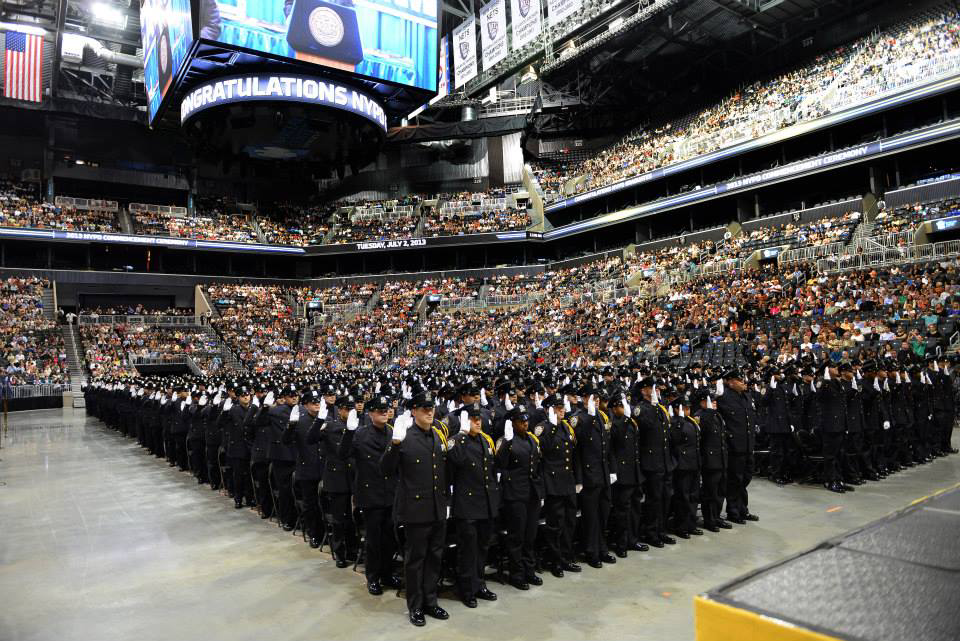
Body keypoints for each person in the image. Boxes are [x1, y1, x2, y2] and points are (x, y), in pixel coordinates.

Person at [380, 391, 450, 627]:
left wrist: (445, 503)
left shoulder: (438, 437)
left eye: (431, 409)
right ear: (414, 411)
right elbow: (386, 470)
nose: (430, 412)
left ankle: (431, 601)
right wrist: (395, 444)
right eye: (424, 409)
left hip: (437, 509)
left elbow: (443, 474)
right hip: (415, 511)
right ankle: (416, 605)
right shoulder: (405, 437)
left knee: (434, 558)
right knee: (416, 560)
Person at [338, 394, 400, 594]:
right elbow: (343, 454)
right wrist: (348, 432)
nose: (384, 414)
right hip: (371, 495)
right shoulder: (360, 434)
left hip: (391, 494)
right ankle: (373, 577)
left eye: (386, 410)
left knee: (390, 539)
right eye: (380, 411)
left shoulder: (392, 432)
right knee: (374, 540)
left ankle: (388, 574)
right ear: (371, 413)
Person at [447, 402, 500, 607]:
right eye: (473, 419)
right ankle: (466, 589)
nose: (478, 422)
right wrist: (460, 435)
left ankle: (479, 584)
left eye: (479, 419)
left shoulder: (485, 441)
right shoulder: (456, 442)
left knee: (482, 548)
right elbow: (457, 461)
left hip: (485, 503)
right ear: (464, 421)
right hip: (467, 504)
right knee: (467, 551)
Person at [495, 406, 544, 589]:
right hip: (515, 494)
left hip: (531, 493)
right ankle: (517, 574)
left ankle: (529, 571)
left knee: (530, 535)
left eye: (526, 420)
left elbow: (537, 466)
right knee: (517, 537)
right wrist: (507, 443)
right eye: (521, 421)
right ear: (512, 423)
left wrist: (540, 492)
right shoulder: (506, 440)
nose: (525, 423)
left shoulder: (531, 438)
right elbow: (500, 465)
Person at [310, 394, 359, 567]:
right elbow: (311, 438)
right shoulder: (330, 426)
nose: (350, 411)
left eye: (352, 408)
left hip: (354, 477)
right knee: (339, 519)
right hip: (337, 478)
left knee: (353, 519)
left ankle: (353, 549)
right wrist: (319, 420)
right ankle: (339, 552)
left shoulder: (358, 426)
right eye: (347, 408)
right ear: (340, 409)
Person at [535, 393, 581, 577]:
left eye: (563, 408)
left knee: (569, 522)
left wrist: (578, 479)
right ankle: (554, 561)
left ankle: (566, 557)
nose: (562, 411)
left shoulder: (567, 427)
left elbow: (574, 452)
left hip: (568, 480)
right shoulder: (542, 428)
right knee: (555, 524)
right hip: (553, 483)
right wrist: (553, 429)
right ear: (549, 410)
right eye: (558, 408)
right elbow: (543, 451)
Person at [282, 389, 326, 548]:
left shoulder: (326, 418)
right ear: (306, 405)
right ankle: (315, 534)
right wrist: (290, 426)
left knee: (326, 505)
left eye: (318, 402)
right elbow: (285, 441)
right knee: (311, 505)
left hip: (326, 470)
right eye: (313, 403)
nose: (316, 405)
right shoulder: (299, 421)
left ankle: (328, 533)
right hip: (308, 470)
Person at [716, 370, 759, 524]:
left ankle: (743, 509)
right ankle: (733, 512)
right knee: (735, 480)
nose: (744, 382)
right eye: (740, 380)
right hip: (734, 446)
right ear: (731, 382)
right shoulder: (724, 397)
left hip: (748, 444)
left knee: (746, 478)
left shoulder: (746, 396)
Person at [608, 393, 648, 556]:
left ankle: (633, 539)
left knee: (635, 510)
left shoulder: (630, 421)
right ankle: (621, 543)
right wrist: (625, 419)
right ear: (615, 408)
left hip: (635, 472)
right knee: (622, 512)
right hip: (623, 475)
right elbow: (617, 440)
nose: (625, 409)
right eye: (622, 406)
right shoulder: (615, 424)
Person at [693, 388, 729, 531]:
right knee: (710, 492)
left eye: (714, 400)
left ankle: (717, 516)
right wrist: (708, 412)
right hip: (709, 460)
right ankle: (709, 520)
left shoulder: (717, 415)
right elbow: (703, 432)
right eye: (711, 400)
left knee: (721, 490)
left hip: (721, 458)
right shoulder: (700, 416)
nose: (714, 403)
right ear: (703, 402)